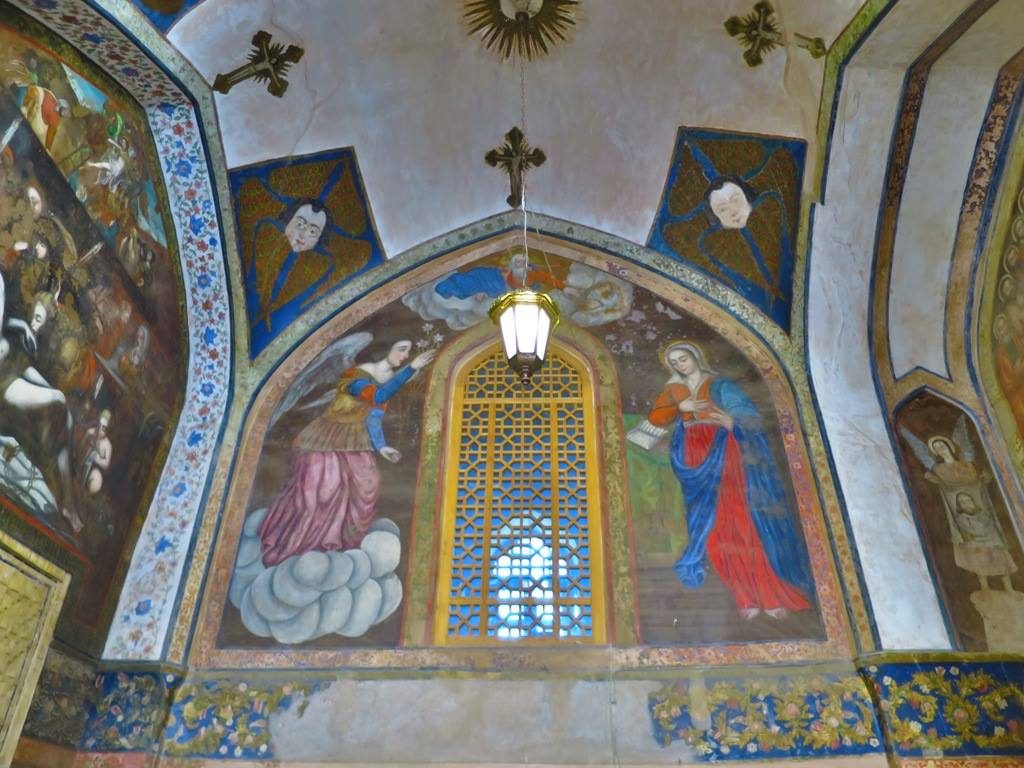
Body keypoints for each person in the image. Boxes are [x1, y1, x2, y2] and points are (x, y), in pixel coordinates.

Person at [645, 340, 812, 619]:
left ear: (696, 356)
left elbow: (749, 415)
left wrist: (731, 422)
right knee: (714, 531)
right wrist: (679, 405)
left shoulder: (720, 386)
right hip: (693, 457)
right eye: (674, 362)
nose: (679, 365)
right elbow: (656, 418)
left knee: (742, 524)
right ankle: (744, 598)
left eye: (683, 358)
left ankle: (770, 596)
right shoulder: (675, 389)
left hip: (724, 453)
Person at [257, 340, 436, 566]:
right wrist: (412, 368)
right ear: (386, 349)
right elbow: (377, 396)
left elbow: (374, 417)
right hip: (325, 439)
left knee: (369, 483)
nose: (406, 355)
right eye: (402, 349)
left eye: (409, 352)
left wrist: (382, 447)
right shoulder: (356, 375)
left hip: (355, 440)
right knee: (325, 488)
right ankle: (302, 548)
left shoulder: (387, 382)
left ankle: (341, 547)